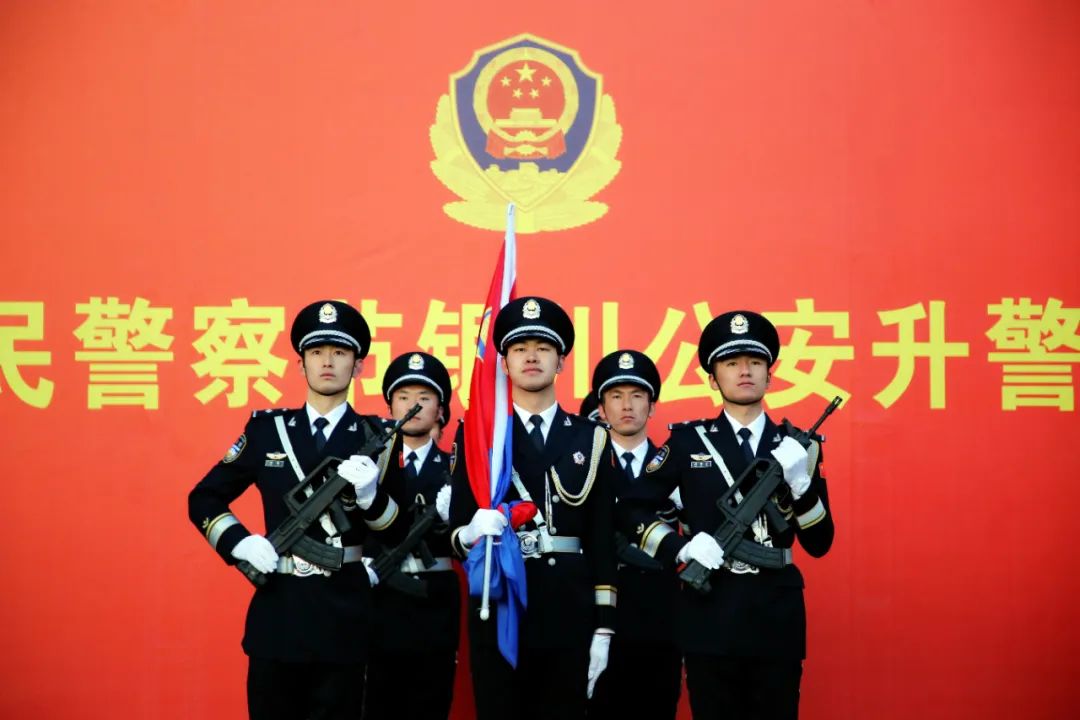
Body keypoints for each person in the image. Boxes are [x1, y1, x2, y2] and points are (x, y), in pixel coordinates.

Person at [188, 300, 407, 720]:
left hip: (345, 617)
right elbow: (204, 498)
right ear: (300, 364)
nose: (327, 362)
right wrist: (239, 543)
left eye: (340, 352)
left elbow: (397, 532)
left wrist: (370, 497)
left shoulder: (378, 438)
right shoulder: (266, 430)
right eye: (317, 352)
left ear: (358, 367)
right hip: (279, 613)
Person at [622, 310, 835, 720]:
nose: (745, 371)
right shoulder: (688, 443)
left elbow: (820, 541)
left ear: (770, 376)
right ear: (712, 378)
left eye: (755, 362)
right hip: (710, 617)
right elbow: (631, 508)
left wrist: (801, 486)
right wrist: (681, 548)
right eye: (731, 363)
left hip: (776, 620)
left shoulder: (798, 447)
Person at [448, 296, 618, 720]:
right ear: (504, 363)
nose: (531, 357)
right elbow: (453, 534)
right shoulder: (480, 435)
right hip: (499, 603)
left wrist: (603, 625)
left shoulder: (590, 437)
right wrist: (469, 532)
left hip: (568, 609)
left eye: (543, 348)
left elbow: (602, 539)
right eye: (520, 348)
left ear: (561, 361)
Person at [586, 350, 683, 720]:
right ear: (601, 408)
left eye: (637, 396)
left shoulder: (678, 467)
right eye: (616, 396)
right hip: (598, 616)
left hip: (662, 618)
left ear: (652, 406)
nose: (627, 406)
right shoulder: (582, 467)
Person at [363, 351, 459, 720]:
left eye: (424, 397)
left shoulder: (456, 469)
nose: (413, 406)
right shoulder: (369, 466)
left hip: (433, 604)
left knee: (429, 703)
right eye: (403, 397)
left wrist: (460, 516)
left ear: (440, 410)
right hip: (378, 600)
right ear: (390, 407)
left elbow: (471, 547)